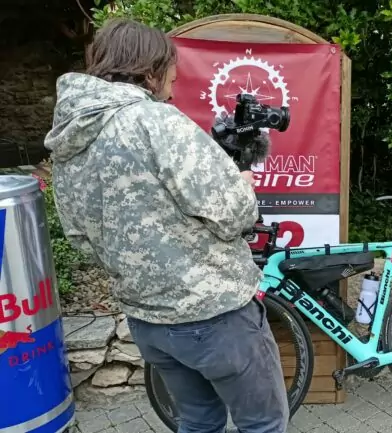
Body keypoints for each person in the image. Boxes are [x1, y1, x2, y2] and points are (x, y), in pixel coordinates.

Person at [43, 18, 289, 433]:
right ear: (149, 69)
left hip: (147, 323)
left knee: (198, 421)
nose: (173, 87)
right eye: (171, 75)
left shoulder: (69, 139)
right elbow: (234, 214)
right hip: (215, 316)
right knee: (264, 423)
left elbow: (80, 237)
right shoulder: (156, 122)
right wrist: (242, 186)